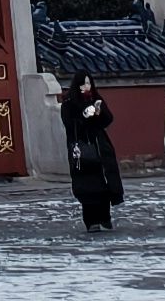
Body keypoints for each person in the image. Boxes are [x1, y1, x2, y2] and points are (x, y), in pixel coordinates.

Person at [64, 75, 126, 230]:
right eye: (83, 83)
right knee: (88, 186)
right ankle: (91, 220)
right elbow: (69, 124)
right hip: (82, 148)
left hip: (100, 146)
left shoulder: (96, 99)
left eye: (88, 83)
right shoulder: (69, 103)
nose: (86, 86)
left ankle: (105, 217)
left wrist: (99, 113)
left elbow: (108, 119)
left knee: (104, 183)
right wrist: (84, 116)